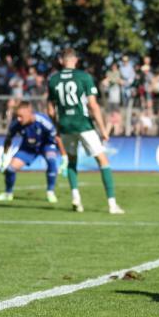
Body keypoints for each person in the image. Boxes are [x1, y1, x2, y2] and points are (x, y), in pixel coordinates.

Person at [47, 48, 124, 214]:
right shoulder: (84, 77)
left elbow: (50, 110)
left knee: (72, 161)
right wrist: (103, 129)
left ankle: (76, 197)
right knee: (103, 161)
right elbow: (93, 105)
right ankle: (112, 204)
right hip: (83, 124)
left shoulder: (53, 80)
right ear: (75, 60)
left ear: (61, 61)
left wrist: (58, 126)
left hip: (66, 125)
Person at [0, 101, 66, 203]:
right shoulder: (16, 124)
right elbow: (8, 139)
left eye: (21, 116)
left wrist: (64, 157)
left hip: (46, 145)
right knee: (10, 169)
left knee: (51, 161)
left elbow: (57, 137)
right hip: (28, 148)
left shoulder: (43, 121)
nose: (19, 119)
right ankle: (8, 194)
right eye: (17, 116)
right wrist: (4, 158)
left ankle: (50, 192)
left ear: (29, 113)